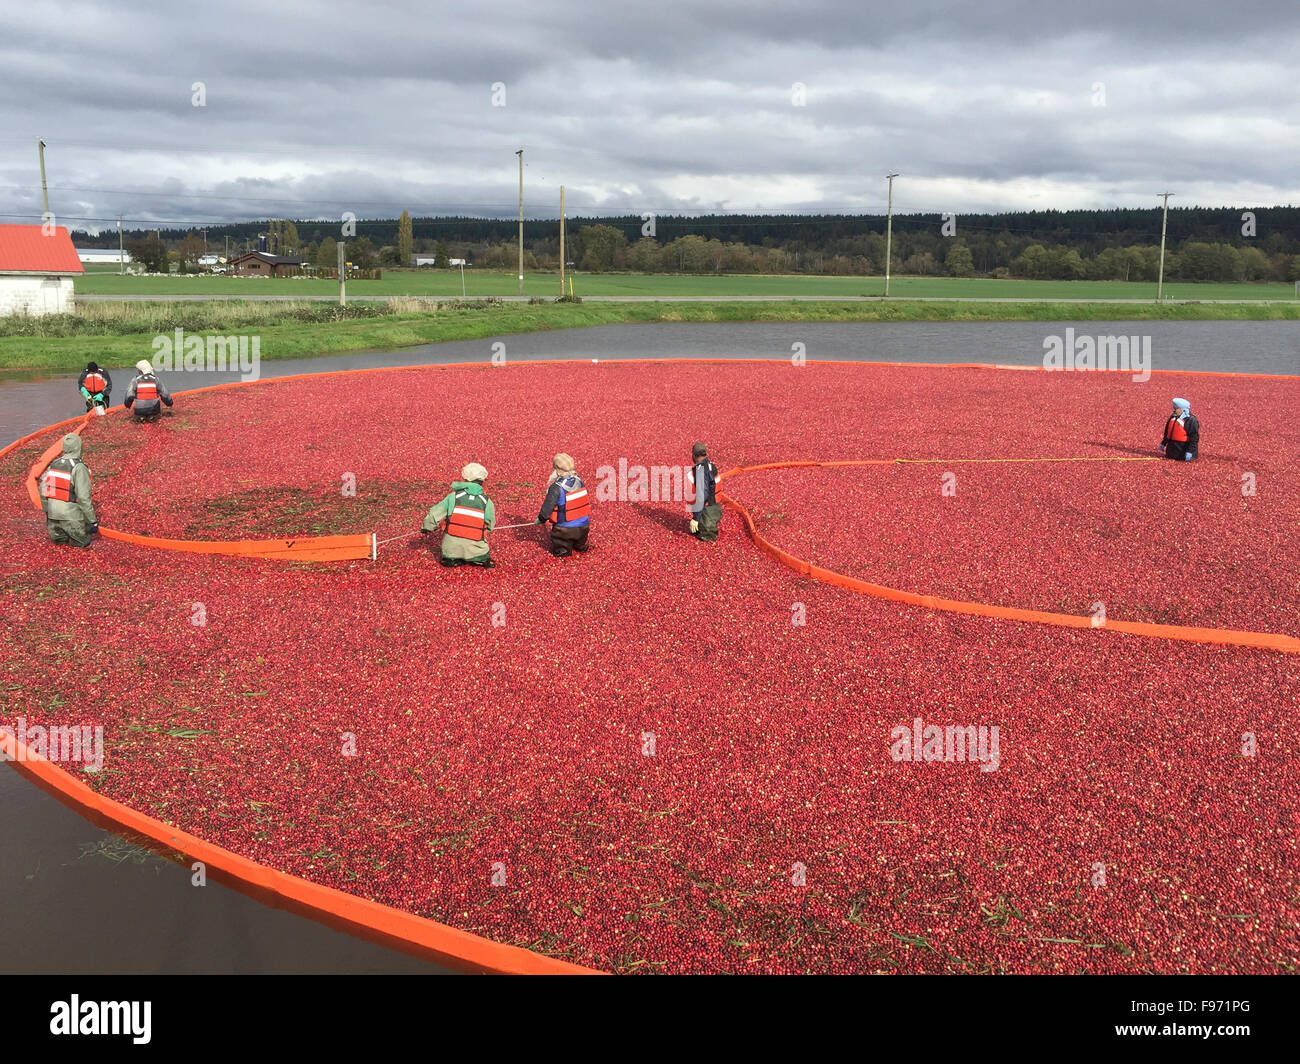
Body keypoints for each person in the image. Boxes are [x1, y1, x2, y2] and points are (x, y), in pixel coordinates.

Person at [421, 462, 496, 568]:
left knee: (450, 552)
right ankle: (477, 559)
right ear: (482, 481)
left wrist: (427, 527)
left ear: (465, 479)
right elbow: (490, 524)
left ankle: (452, 559)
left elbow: (434, 513)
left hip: (451, 550)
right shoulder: (487, 501)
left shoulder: (453, 497)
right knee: (481, 555)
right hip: (477, 550)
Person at [39, 434, 98, 548]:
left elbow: (43, 489)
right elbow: (83, 498)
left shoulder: (54, 464)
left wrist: (47, 512)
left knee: (60, 547)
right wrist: (92, 521)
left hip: (53, 522)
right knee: (82, 543)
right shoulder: (79, 467)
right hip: (72, 520)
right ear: (79, 448)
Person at [536, 453, 591, 557]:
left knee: (561, 543)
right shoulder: (579, 480)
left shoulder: (556, 487)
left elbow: (547, 508)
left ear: (556, 470)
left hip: (565, 530)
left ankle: (564, 550)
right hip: (584, 527)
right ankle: (579, 545)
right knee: (580, 539)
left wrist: (541, 518)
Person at [688, 441, 722, 541]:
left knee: (707, 535)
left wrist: (695, 519)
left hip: (708, 507)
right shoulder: (709, 465)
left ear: (693, 455)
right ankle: (702, 522)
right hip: (712, 505)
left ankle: (708, 530)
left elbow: (702, 495)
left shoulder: (701, 471)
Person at [1160, 397, 1199, 462]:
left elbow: (1194, 438)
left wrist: (1190, 451)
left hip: (1183, 452)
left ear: (1182, 410)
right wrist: (1164, 443)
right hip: (1172, 452)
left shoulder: (1191, 420)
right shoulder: (1173, 417)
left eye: (1176, 409)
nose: (1174, 410)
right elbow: (1167, 432)